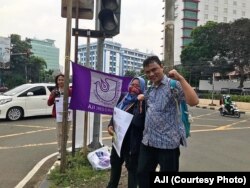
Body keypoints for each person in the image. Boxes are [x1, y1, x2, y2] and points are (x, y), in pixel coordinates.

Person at [137, 56, 199, 188]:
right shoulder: (150, 88)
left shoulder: (173, 85)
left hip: (168, 144)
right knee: (142, 175)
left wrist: (180, 78)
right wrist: (142, 97)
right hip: (148, 142)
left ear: (162, 67)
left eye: (154, 69)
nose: (151, 74)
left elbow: (194, 101)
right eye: (147, 72)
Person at [107, 77, 146, 188]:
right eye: (132, 85)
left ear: (142, 88)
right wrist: (110, 125)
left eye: (137, 86)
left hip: (132, 143)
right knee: (115, 163)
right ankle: (111, 186)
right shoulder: (124, 97)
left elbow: (139, 122)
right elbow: (116, 112)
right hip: (118, 139)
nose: (133, 88)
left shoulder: (143, 102)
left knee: (132, 169)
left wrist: (140, 102)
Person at [47, 73, 72, 160]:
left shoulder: (69, 90)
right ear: (57, 81)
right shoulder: (54, 91)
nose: (61, 81)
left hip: (68, 115)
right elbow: (49, 103)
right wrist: (53, 95)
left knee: (66, 134)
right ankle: (60, 152)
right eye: (59, 80)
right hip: (59, 116)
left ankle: (64, 149)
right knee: (60, 134)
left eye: (62, 79)